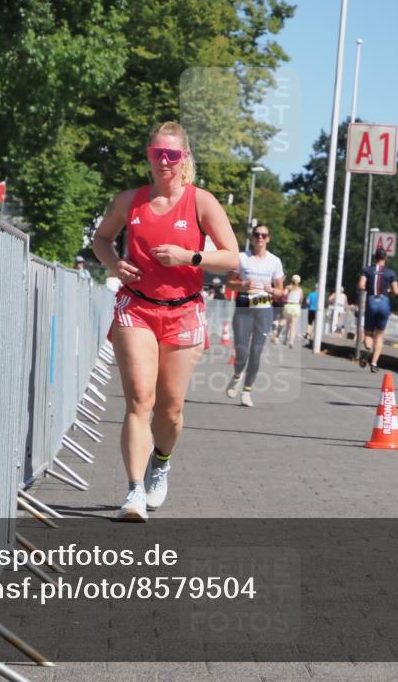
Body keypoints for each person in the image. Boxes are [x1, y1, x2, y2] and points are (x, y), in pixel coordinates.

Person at [92, 121, 239, 521]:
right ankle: (134, 491)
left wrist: (189, 257)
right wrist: (115, 264)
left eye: (173, 155)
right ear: (148, 156)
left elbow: (231, 257)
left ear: (185, 157)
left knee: (170, 409)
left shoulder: (201, 202)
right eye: (158, 154)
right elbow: (101, 239)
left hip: (184, 310)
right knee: (140, 399)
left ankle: (162, 460)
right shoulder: (129, 201)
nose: (165, 162)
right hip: (135, 307)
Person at [225, 223, 284, 407]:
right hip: (244, 305)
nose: (260, 238)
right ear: (252, 238)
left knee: (256, 352)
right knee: (241, 351)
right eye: (257, 234)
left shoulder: (274, 261)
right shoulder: (242, 258)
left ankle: (247, 391)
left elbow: (281, 291)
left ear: (268, 239)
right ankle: (236, 375)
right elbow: (229, 283)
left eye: (264, 235)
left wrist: (273, 289)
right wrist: (242, 285)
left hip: (264, 308)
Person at [356, 248, 398, 372]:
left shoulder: (367, 270)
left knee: (368, 333)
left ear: (375, 258)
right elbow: (396, 291)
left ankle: (368, 349)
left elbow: (360, 285)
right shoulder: (390, 273)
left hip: (371, 301)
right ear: (386, 258)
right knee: (380, 334)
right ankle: (374, 363)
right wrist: (388, 293)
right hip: (384, 303)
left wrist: (366, 289)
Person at [282, 275, 303, 349]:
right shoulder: (300, 290)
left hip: (288, 306)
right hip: (296, 307)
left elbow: (284, 294)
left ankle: (285, 339)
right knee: (293, 326)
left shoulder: (288, 287)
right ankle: (291, 342)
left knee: (287, 324)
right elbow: (301, 300)